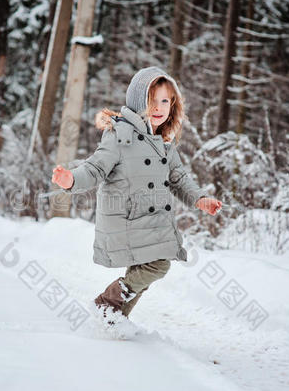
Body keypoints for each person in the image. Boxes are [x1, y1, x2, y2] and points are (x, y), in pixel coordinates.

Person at [52, 66, 221, 326]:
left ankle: (113, 318)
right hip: (128, 219)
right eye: (152, 101)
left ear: (173, 104)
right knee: (157, 266)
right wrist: (71, 179)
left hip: (150, 223)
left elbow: (178, 178)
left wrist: (199, 199)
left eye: (165, 101)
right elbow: (95, 167)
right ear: (137, 102)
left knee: (140, 274)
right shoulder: (120, 136)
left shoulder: (164, 141)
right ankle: (106, 304)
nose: (158, 107)